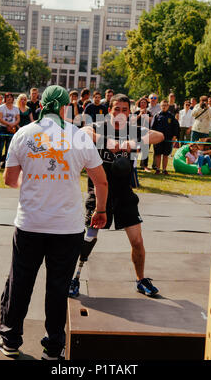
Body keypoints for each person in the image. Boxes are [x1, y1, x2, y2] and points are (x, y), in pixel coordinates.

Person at [0, 85, 108, 360]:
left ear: (41, 104)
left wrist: (32, 186)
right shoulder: (78, 136)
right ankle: (54, 347)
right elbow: (100, 180)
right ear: (64, 107)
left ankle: (10, 339)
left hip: (31, 223)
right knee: (58, 287)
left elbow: (9, 179)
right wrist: (100, 210)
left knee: (20, 281)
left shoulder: (24, 133)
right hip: (66, 227)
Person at [69, 93, 164, 299]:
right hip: (99, 194)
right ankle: (74, 277)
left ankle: (141, 280)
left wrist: (134, 143)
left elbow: (159, 136)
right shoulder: (100, 127)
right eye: (116, 109)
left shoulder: (133, 131)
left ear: (129, 112)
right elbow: (82, 132)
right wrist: (108, 141)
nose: (120, 113)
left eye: (124, 110)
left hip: (124, 194)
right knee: (87, 240)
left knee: (137, 241)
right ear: (109, 111)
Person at [150, 99, 180, 175]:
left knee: (166, 155)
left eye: (165, 105)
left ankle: (164, 169)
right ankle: (157, 169)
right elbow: (152, 127)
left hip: (167, 139)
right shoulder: (157, 116)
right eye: (163, 105)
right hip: (158, 139)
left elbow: (176, 127)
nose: (164, 107)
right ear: (160, 106)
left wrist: (174, 136)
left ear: (168, 106)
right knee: (158, 154)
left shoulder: (171, 116)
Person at [0, 93, 20, 168]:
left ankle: (6, 162)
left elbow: (18, 119)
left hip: (12, 129)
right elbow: (0, 118)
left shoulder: (16, 108)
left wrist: (13, 125)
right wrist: (9, 124)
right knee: (0, 146)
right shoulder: (1, 107)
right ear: (5, 99)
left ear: (13, 99)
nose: (9, 98)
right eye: (7, 97)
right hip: (2, 128)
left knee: (8, 147)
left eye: (11, 97)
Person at [134, 96, 151, 172]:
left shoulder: (149, 113)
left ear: (147, 104)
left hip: (146, 132)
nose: (143, 104)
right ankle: (134, 164)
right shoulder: (136, 112)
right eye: (142, 102)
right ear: (139, 104)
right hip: (136, 132)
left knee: (145, 149)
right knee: (135, 148)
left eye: (144, 103)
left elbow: (151, 121)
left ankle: (144, 166)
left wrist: (146, 115)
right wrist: (140, 114)